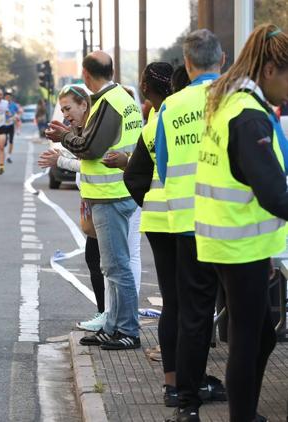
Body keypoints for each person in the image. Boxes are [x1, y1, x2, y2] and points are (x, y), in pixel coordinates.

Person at [196, 24, 288, 422]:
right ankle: (242, 416)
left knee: (261, 335)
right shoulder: (249, 117)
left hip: (232, 239)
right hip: (238, 245)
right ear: (269, 70)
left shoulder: (229, 102)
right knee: (248, 340)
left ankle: (245, 413)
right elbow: (272, 193)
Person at [45, 51, 143, 350]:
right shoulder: (124, 99)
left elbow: (91, 148)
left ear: (86, 76)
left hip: (110, 194)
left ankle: (127, 330)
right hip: (117, 192)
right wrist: (72, 135)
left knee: (117, 267)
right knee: (112, 266)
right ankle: (113, 326)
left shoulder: (108, 102)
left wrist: (64, 138)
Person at [154, 29, 227, 421]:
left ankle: (187, 404)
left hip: (186, 225)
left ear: (187, 63)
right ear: (223, 58)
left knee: (193, 317)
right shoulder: (237, 99)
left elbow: (164, 166)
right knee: (249, 320)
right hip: (235, 227)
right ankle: (243, 404)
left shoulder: (172, 105)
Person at [125, 62, 181, 407]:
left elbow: (134, 178)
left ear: (147, 88)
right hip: (191, 220)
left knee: (173, 303)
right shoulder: (187, 114)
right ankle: (193, 379)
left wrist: (150, 202)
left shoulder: (153, 123)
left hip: (158, 221)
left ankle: (172, 384)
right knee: (194, 305)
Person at [38, 85, 107, 324]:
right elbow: (82, 160)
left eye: (68, 108)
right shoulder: (81, 128)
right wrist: (62, 152)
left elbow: (90, 163)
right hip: (91, 198)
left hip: (106, 198)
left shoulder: (93, 129)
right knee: (95, 258)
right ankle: (105, 312)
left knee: (104, 261)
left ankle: (108, 314)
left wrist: (60, 159)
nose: (65, 114)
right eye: (62, 109)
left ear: (84, 105)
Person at [4, 92, 22, 163]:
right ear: (4, 98)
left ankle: (8, 156)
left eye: (9, 97)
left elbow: (19, 112)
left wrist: (17, 116)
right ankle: (5, 141)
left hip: (11, 124)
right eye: (6, 97)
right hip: (3, 124)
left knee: (11, 141)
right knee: (4, 141)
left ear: (10, 98)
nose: (8, 98)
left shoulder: (14, 105)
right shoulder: (2, 105)